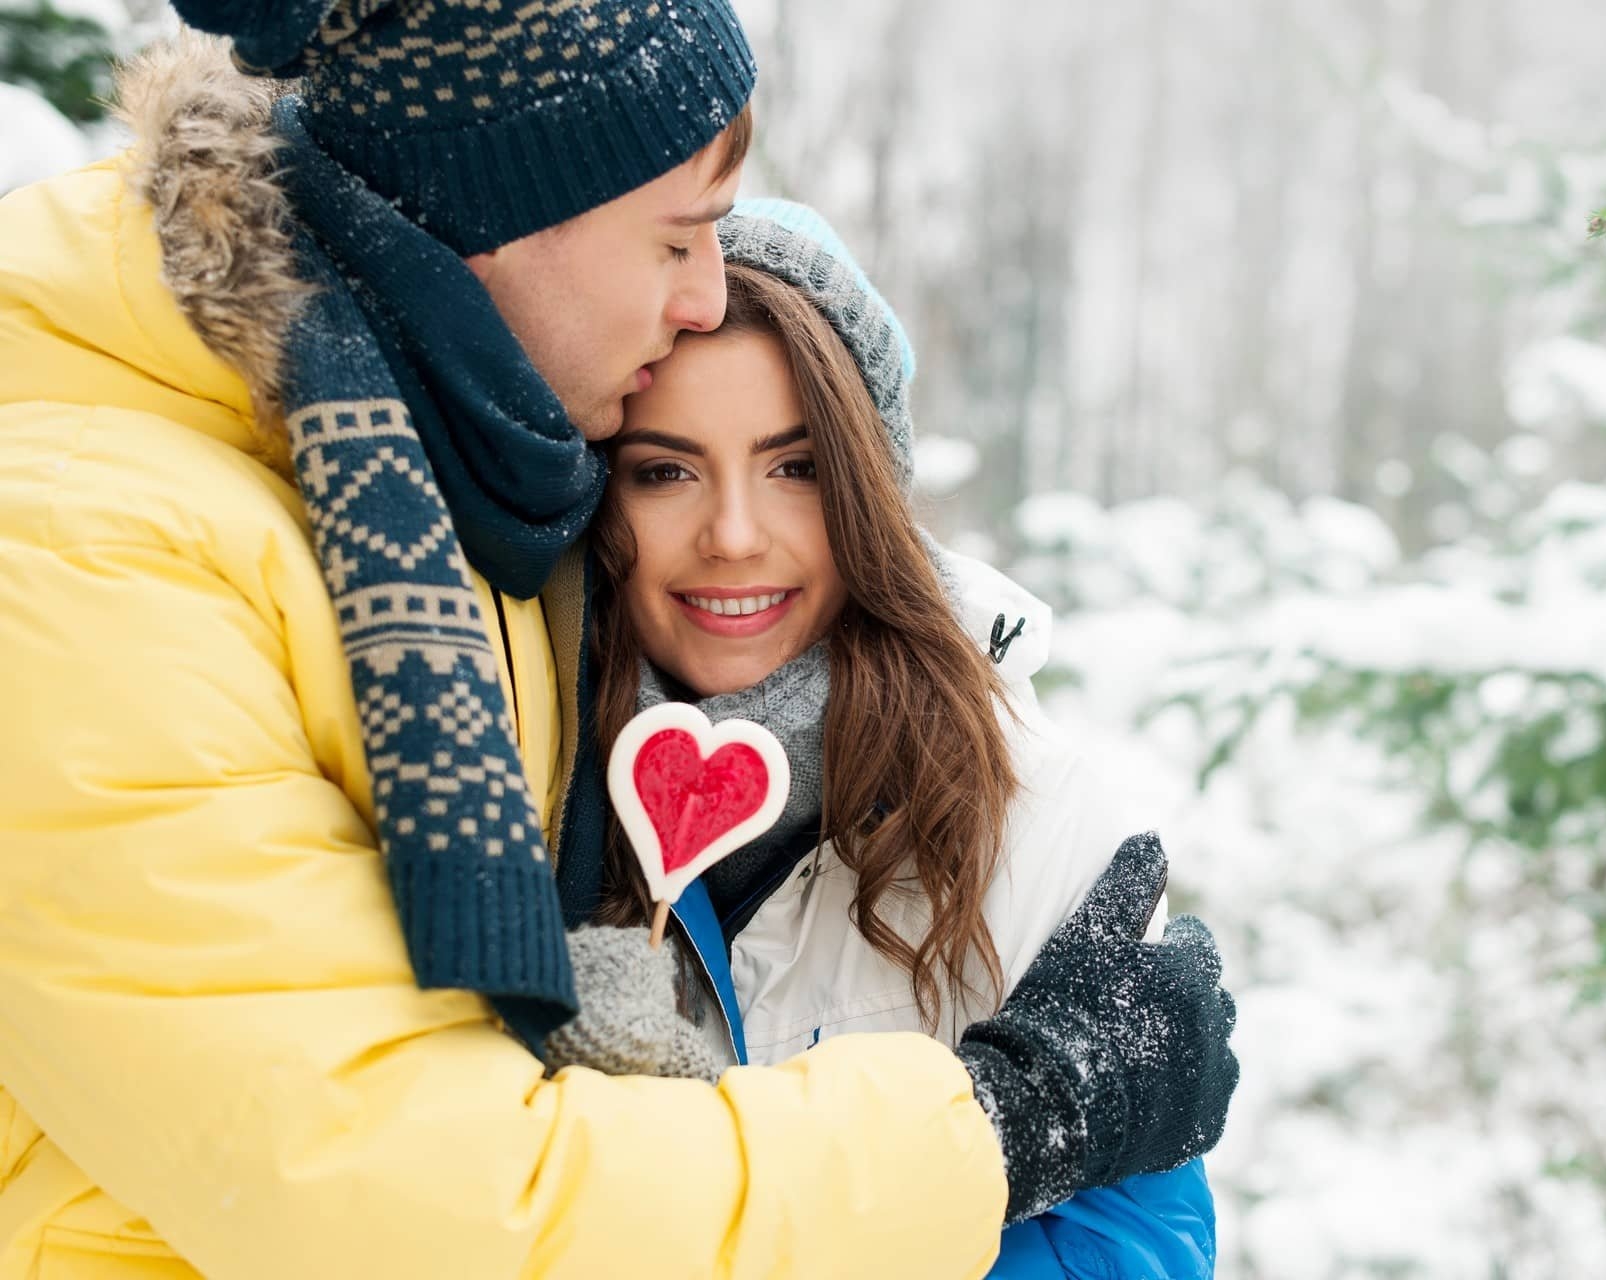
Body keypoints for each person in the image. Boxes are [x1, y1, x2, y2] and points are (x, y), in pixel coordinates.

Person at [0, 2, 1239, 1277]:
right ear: (504, 210)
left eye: (799, 466)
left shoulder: (412, 494)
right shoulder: (85, 556)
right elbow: (417, 1198)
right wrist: (1002, 1124)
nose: (704, 293)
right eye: (678, 235)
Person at [543, 197, 1225, 1278]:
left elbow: (1136, 1250)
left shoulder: (1035, 812)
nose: (733, 534)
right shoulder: (525, 784)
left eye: (796, 467)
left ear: (869, 490)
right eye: (665, 469)